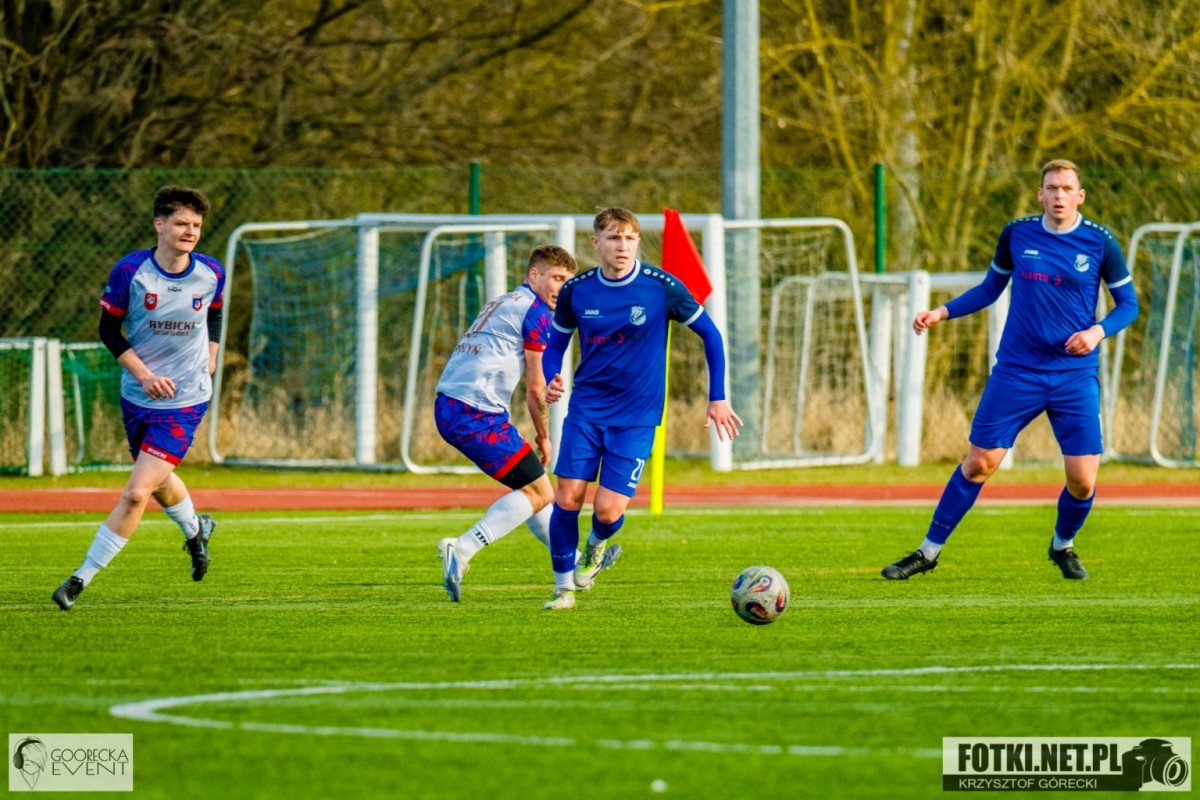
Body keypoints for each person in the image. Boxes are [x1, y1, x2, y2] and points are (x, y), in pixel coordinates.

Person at [882, 159, 1139, 582]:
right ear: (1040, 194)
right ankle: (928, 552)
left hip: (1074, 375)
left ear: (1080, 196)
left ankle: (1063, 545)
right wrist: (941, 312)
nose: (1059, 195)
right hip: (1018, 371)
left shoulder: (1100, 242)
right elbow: (990, 288)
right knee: (979, 463)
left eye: (1067, 188)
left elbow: (1128, 305)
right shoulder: (1017, 234)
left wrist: (1097, 332)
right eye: (1051, 188)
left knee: (1082, 481)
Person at [539, 207, 743, 610]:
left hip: (636, 416)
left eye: (630, 238)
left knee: (607, 510)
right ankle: (563, 588)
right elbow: (556, 343)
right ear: (596, 243)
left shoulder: (660, 287)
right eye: (614, 238)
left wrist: (717, 396)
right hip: (586, 409)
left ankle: (595, 549)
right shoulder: (577, 290)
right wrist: (550, 376)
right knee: (566, 498)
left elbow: (711, 335)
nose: (623, 246)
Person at [52, 186, 224, 610]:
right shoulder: (131, 271)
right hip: (138, 395)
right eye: (181, 223)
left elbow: (215, 311)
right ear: (159, 225)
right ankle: (196, 531)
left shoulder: (210, 271)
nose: (190, 231)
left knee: (136, 492)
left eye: (197, 225)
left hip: (186, 400)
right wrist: (144, 376)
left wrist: (212, 353)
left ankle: (79, 580)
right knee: (159, 480)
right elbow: (108, 330)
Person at [434, 245, 620, 602]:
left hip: (453, 405)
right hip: (474, 413)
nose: (562, 288)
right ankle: (462, 548)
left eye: (567, 281)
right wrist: (544, 435)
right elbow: (535, 388)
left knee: (534, 489)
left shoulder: (505, 301)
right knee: (541, 491)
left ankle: (575, 561)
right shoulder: (534, 312)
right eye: (556, 278)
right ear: (534, 275)